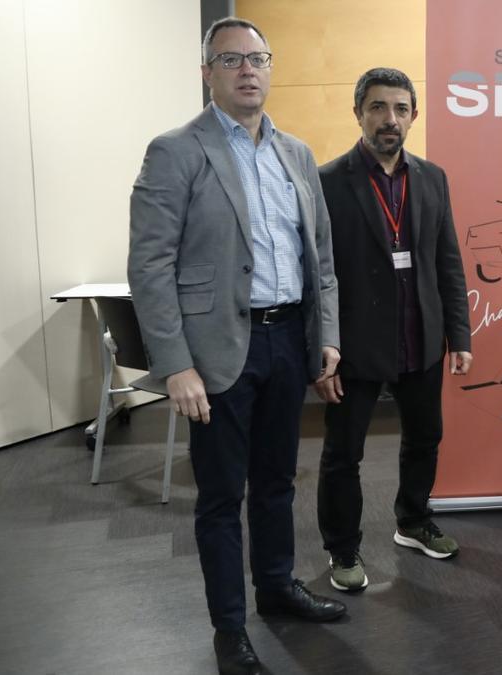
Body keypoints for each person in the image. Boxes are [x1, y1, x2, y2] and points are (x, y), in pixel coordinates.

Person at [128, 17, 346, 675]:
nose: (247, 70)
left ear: (270, 68)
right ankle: (230, 628)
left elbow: (323, 258)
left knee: (278, 479)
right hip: (218, 350)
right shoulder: (176, 151)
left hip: (287, 342)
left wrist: (326, 336)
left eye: (257, 58)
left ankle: (276, 586)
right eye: (230, 59)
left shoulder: (297, 154)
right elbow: (150, 266)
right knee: (222, 497)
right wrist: (175, 365)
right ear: (208, 73)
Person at [314, 67, 472, 593]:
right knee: (344, 454)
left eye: (400, 109)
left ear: (413, 116)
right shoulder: (327, 182)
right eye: (378, 107)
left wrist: (460, 335)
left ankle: (412, 520)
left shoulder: (433, 178)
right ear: (358, 113)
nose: (390, 119)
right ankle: (342, 549)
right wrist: (321, 348)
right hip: (354, 346)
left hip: (421, 339)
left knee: (426, 437)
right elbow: (316, 274)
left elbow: (448, 261)